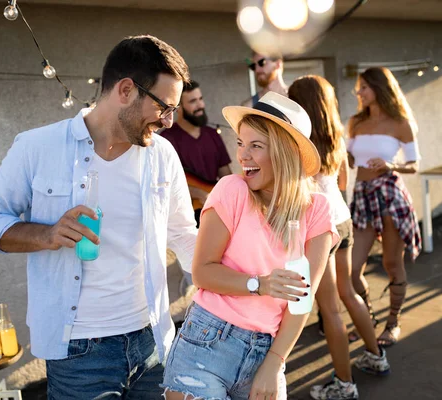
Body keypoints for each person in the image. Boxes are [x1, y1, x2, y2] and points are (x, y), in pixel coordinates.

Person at [0, 35, 198, 400]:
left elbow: (184, 235)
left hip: (154, 341)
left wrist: (236, 282)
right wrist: (46, 235)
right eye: (164, 107)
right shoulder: (37, 147)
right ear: (126, 90)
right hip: (79, 354)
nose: (170, 121)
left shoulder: (163, 156)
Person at [161, 92, 339, 400]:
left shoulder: (317, 209)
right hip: (206, 342)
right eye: (241, 144)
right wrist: (261, 284)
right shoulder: (232, 190)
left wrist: (275, 362)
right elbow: (202, 272)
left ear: (286, 153)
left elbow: (301, 300)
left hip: (267, 349)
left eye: (256, 146)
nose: (242, 155)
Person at [289, 75, 390, 400]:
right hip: (342, 219)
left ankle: (344, 385)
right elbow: (343, 181)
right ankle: (376, 357)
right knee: (349, 294)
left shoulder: (299, 142)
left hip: (320, 228)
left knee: (329, 309)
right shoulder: (336, 135)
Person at [347, 67, 422, 348]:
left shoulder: (401, 122)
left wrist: (391, 165)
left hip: (389, 195)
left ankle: (393, 322)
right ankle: (366, 319)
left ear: (379, 88)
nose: (359, 92)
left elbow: (414, 165)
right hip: (363, 197)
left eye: (364, 87)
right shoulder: (355, 122)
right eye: (358, 87)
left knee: (392, 264)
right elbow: (351, 161)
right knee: (353, 269)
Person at [160, 80, 232, 226]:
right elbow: (163, 184)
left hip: (214, 213)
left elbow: (226, 176)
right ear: (178, 108)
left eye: (200, 99)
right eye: (193, 101)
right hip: (182, 218)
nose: (200, 105)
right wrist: (198, 193)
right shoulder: (166, 140)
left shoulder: (213, 135)